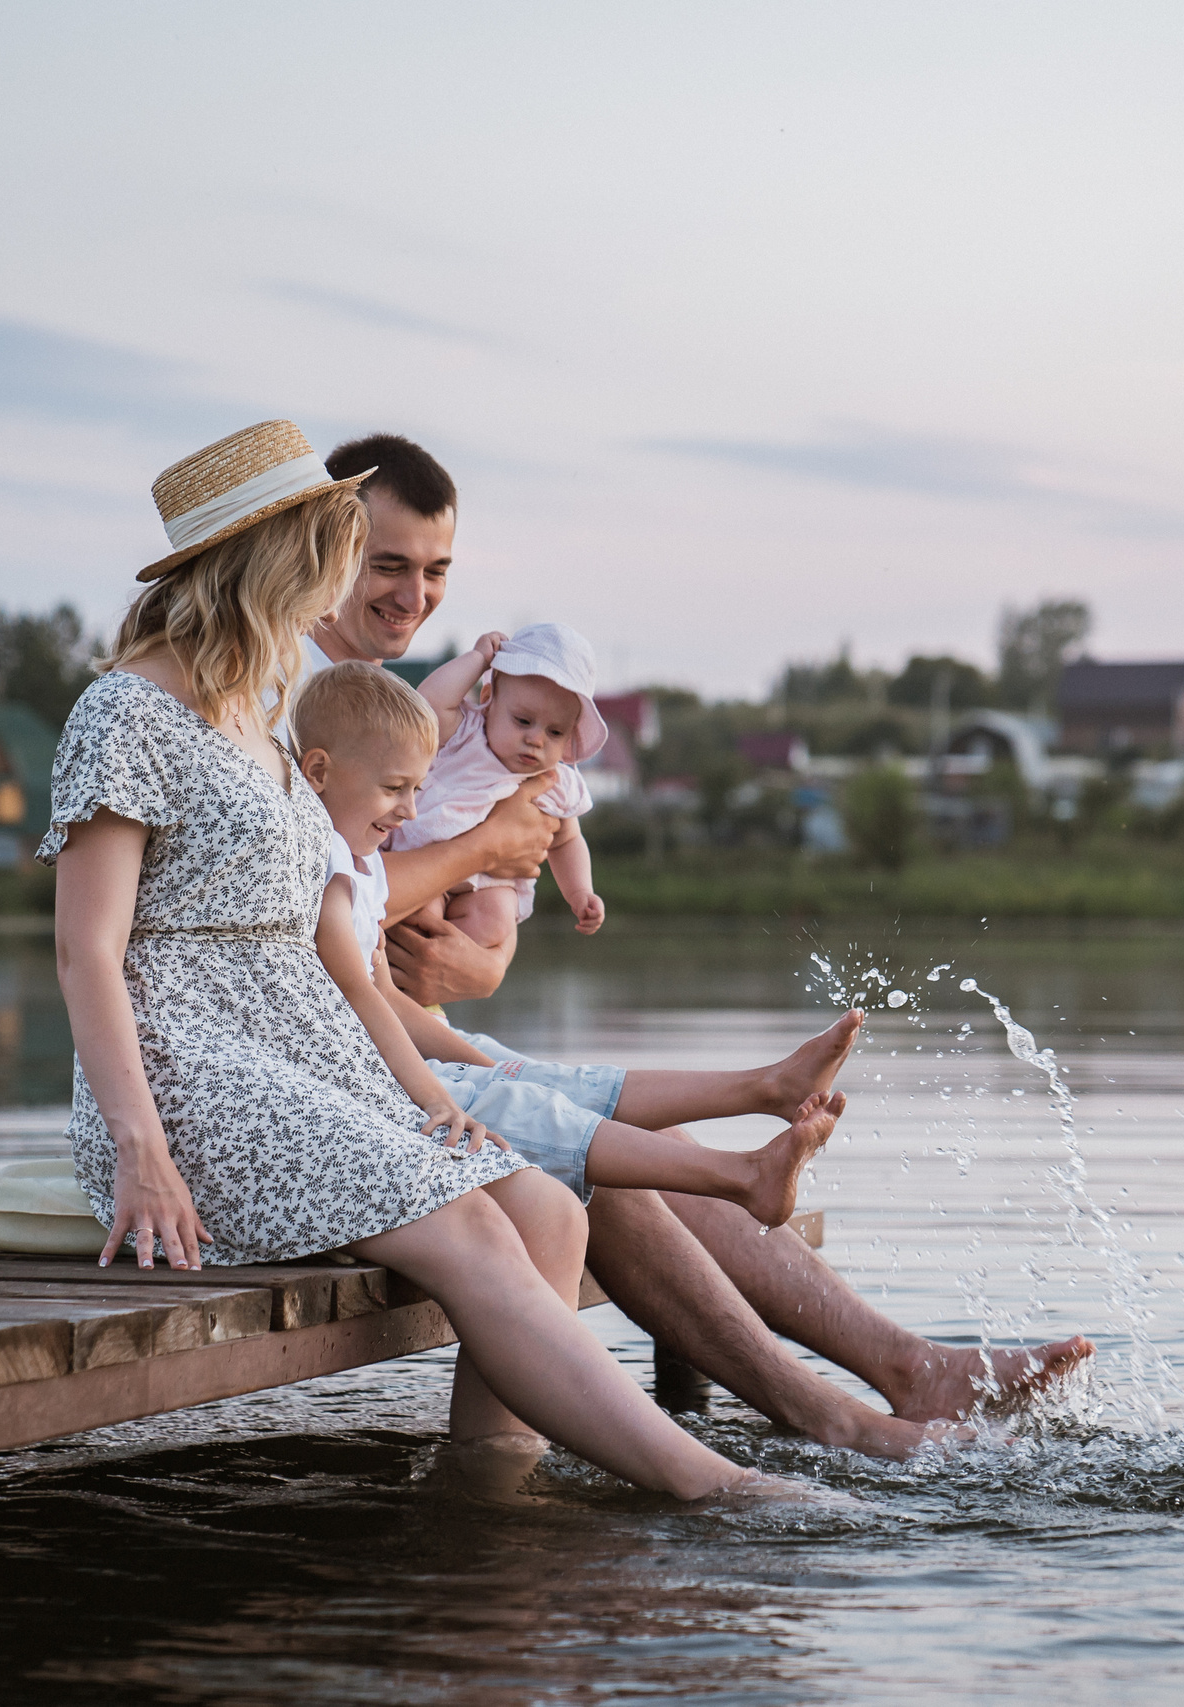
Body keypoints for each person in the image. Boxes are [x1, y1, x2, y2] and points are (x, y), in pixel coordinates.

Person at [291, 432, 1096, 1457]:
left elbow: (432, 933)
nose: (413, 595)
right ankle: (833, 1417)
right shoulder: (302, 708)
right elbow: (325, 915)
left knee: (626, 1140)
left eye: (434, 570)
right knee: (588, 1167)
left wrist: (480, 955)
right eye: (388, 565)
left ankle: (905, 1367)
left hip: (403, 1040)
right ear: (324, 549)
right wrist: (487, 846)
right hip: (335, 1072)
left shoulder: (412, 712)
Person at [47, 418, 779, 1500]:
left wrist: (423, 1087)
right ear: (276, 555)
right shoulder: (125, 712)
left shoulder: (258, 714)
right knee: (479, 1225)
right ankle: (715, 1486)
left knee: (546, 1208)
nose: (348, 574)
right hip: (191, 1077)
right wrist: (142, 1149)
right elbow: (85, 951)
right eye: (337, 545)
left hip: (308, 1055)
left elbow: (336, 948)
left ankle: (487, 1496)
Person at [292, 657, 852, 1226]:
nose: (411, 810)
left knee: (538, 1082)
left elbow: (383, 997)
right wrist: (441, 1098)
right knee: (525, 1107)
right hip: (356, 1084)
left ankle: (768, 1090)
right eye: (395, 789)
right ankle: (742, 1170)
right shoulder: (329, 875)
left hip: (387, 1055)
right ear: (318, 772)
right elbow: (361, 1000)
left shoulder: (361, 867)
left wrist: (490, 1066)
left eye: (415, 788)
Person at [393, 623, 605, 946]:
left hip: (488, 884)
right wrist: (479, 658)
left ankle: (444, 970)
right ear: (488, 698)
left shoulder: (556, 783)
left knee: (496, 922)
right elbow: (429, 703)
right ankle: (397, 980)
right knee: (422, 917)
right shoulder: (466, 735)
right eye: (523, 721)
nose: (535, 740)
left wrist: (580, 893)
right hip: (422, 864)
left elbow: (567, 840)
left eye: (555, 732)